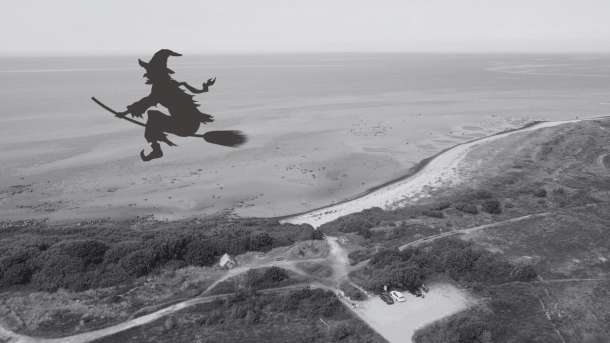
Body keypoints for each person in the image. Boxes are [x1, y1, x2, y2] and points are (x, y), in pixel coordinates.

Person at [119, 49, 216, 161]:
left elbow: (146, 102)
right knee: (153, 117)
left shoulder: (161, 88)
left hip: (185, 126)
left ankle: (156, 149)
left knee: (153, 116)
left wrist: (124, 113)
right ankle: (156, 146)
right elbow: (146, 102)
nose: (147, 74)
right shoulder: (169, 85)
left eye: (150, 71)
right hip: (190, 124)